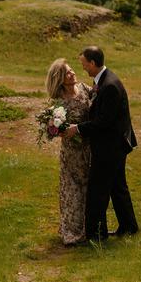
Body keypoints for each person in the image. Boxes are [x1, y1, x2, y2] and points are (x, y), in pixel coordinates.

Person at [64, 46, 139, 241]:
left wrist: (78, 129)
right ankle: (129, 226)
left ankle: (97, 235)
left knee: (98, 191)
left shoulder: (110, 86)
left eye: (84, 64)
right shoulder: (103, 81)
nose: (83, 68)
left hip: (110, 147)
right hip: (114, 145)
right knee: (117, 187)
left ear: (93, 63)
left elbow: (103, 122)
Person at [45, 58, 93, 246]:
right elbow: (52, 130)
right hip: (72, 152)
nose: (72, 74)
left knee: (89, 189)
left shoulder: (84, 89)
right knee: (72, 191)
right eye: (67, 73)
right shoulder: (58, 103)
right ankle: (72, 232)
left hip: (89, 148)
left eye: (72, 70)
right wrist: (57, 129)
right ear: (60, 79)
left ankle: (89, 227)